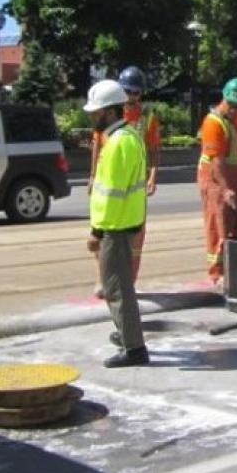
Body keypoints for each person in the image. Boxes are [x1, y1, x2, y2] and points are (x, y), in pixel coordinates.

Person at [83, 79, 150, 368]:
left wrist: (97, 231)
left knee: (116, 288)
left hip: (115, 226)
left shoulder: (118, 143)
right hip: (125, 222)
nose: (92, 117)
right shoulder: (129, 136)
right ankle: (127, 335)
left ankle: (133, 348)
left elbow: (110, 193)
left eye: (96, 112)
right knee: (121, 286)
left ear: (110, 112)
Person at [89, 66, 160, 297]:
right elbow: (97, 146)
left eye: (136, 92)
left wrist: (153, 175)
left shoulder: (147, 118)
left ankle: (128, 282)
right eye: (128, 91)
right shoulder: (108, 115)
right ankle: (103, 280)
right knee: (102, 233)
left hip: (132, 185)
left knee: (133, 238)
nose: (131, 97)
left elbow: (153, 149)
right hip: (107, 180)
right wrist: (91, 176)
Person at [198, 77, 237, 285]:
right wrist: (225, 190)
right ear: (224, 98)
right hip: (217, 179)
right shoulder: (213, 123)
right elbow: (217, 161)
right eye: (231, 105)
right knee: (220, 224)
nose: (234, 109)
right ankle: (218, 273)